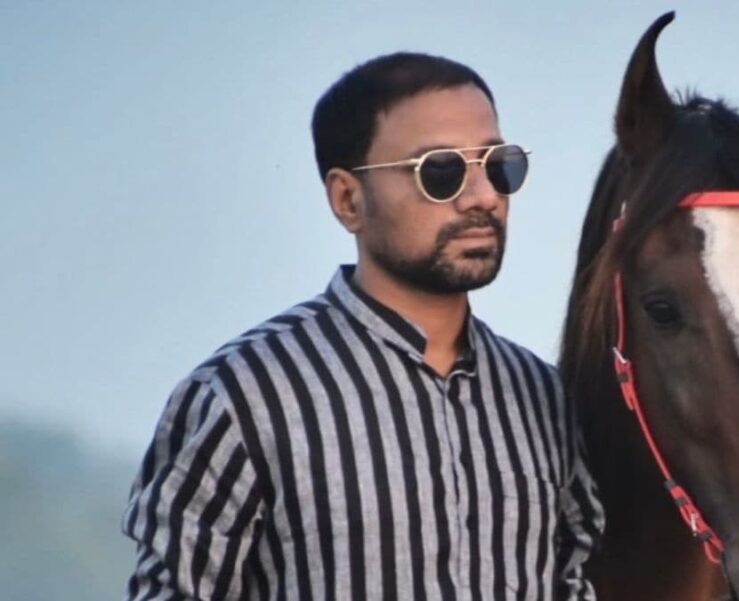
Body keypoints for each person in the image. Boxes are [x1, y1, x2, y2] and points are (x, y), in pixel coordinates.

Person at [122, 52, 603, 601]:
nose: (485, 197)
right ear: (347, 199)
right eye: (440, 171)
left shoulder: (543, 398)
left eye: (499, 165)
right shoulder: (246, 394)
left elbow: (574, 580)